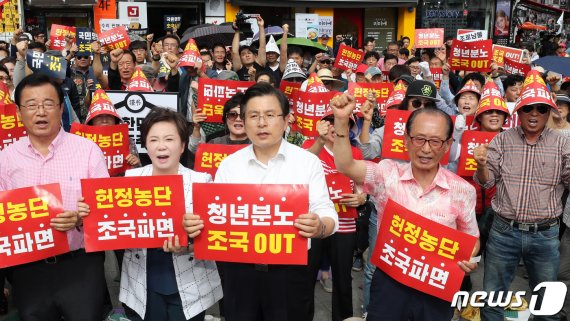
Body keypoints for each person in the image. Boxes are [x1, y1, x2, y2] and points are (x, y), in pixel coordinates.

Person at [183, 83, 338, 321]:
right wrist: (196, 222)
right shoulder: (230, 164)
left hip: (290, 273)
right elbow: (214, 213)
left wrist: (320, 227)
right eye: (253, 116)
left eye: (270, 115)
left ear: (287, 120)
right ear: (244, 121)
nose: (262, 123)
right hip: (238, 271)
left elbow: (327, 213)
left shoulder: (307, 162)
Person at [331, 94, 479, 321]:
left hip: (436, 286)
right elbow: (345, 165)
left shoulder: (462, 190)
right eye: (419, 139)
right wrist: (341, 121)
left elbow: (471, 238)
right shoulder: (386, 173)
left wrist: (468, 259)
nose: (426, 149)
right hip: (391, 282)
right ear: (406, 140)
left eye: (436, 141)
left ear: (448, 144)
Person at [78, 107, 222, 321]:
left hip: (190, 282)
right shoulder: (130, 180)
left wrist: (190, 241)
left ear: (183, 145)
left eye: (169, 139)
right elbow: (111, 227)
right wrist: (88, 215)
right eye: (153, 140)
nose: (161, 146)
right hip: (141, 280)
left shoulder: (201, 181)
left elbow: (214, 236)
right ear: (145, 145)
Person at [0, 73, 109, 321]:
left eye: (48, 104)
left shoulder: (87, 150)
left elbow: (105, 207)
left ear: (61, 108)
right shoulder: (6, 158)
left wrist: (80, 219)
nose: (40, 112)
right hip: (29, 269)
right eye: (31, 105)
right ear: (18, 112)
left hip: (80, 264)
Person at [474, 70, 570, 321]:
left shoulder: (563, 144)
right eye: (529, 108)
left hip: (546, 235)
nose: (534, 114)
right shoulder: (502, 140)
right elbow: (487, 182)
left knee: (547, 306)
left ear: (549, 112)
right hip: (504, 231)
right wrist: (482, 164)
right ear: (518, 111)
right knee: (492, 300)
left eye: (541, 108)